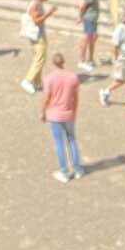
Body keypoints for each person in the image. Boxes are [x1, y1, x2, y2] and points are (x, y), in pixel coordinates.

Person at [40, 52, 83, 181]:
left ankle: (63, 171)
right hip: (68, 113)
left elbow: (46, 98)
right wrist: (74, 112)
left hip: (54, 115)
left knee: (59, 143)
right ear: (63, 62)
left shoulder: (49, 78)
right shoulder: (73, 77)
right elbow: (75, 98)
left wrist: (43, 112)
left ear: (53, 63)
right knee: (72, 140)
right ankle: (77, 169)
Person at [101, 11, 125, 108]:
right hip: (123, 58)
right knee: (121, 80)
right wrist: (116, 60)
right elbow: (114, 46)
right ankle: (105, 92)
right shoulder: (120, 29)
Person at [20, 0, 54, 93]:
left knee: (39, 58)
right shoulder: (35, 4)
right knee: (39, 59)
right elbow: (36, 21)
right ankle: (27, 80)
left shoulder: (36, 2)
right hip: (38, 35)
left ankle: (37, 82)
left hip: (38, 34)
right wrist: (48, 14)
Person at [77, 0, 101, 73]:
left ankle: (90, 59)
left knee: (93, 38)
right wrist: (80, 16)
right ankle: (82, 60)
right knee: (86, 39)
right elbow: (82, 5)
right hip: (89, 18)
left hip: (93, 18)